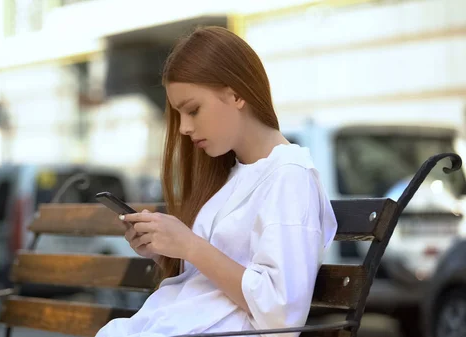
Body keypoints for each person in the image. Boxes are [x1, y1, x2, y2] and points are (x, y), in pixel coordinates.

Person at [95, 26, 338, 337]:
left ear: (236, 94)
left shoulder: (289, 176)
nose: (183, 127)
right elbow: (210, 285)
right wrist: (164, 249)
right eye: (179, 114)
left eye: (193, 110)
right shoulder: (233, 175)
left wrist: (191, 246)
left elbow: (281, 313)